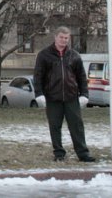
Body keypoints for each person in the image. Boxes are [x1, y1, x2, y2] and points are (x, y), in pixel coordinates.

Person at [33, 26, 96, 163]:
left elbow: (81, 77)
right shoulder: (44, 55)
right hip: (52, 98)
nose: (63, 40)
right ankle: (59, 154)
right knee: (55, 126)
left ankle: (83, 154)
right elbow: (38, 76)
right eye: (61, 37)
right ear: (55, 37)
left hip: (71, 98)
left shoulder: (74, 55)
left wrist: (84, 94)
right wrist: (39, 94)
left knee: (77, 126)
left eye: (66, 38)